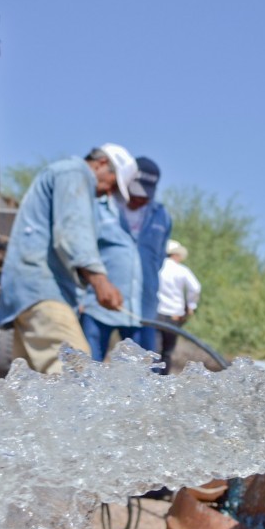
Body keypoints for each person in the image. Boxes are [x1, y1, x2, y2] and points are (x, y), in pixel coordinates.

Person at [0, 144, 138, 374]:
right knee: (76, 373)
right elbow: (73, 233)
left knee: (31, 387)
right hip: (42, 291)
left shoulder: (65, 175)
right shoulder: (75, 173)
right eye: (112, 184)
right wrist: (100, 282)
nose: (108, 193)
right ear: (102, 164)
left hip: (28, 291)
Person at [78, 191, 142, 362]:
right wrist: (82, 297)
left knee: (139, 374)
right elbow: (81, 250)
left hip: (138, 311)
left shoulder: (158, 215)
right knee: (87, 366)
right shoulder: (96, 208)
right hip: (96, 306)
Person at [118, 156, 172, 352]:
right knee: (87, 363)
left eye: (145, 195)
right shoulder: (107, 208)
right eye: (135, 193)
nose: (139, 199)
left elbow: (158, 258)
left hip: (144, 304)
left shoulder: (162, 216)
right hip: (102, 303)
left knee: (147, 369)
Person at [156, 239, 201, 373]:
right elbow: (196, 288)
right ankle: (162, 384)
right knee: (167, 352)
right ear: (176, 255)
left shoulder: (156, 267)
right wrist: (191, 305)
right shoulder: (182, 270)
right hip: (174, 316)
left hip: (155, 314)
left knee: (152, 350)